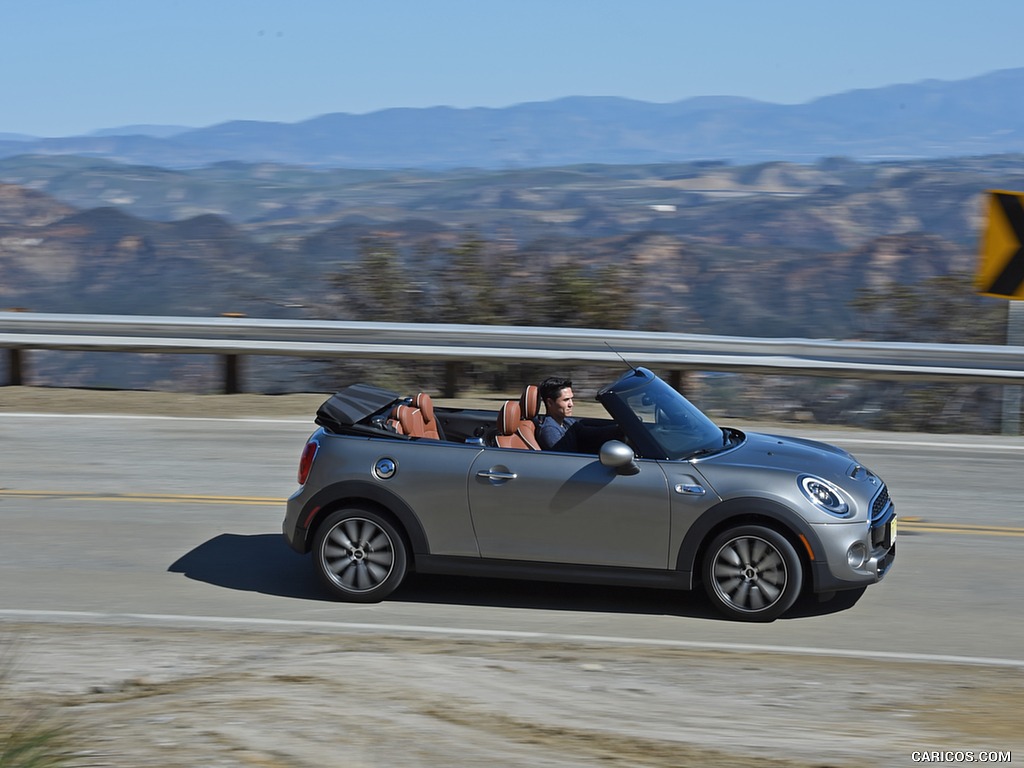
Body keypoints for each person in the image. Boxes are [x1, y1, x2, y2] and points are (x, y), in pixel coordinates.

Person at [537, 376, 578, 451]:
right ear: (550, 402)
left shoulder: (566, 421)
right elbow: (565, 459)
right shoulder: (550, 430)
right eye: (566, 400)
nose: (571, 404)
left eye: (571, 399)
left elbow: (587, 431)